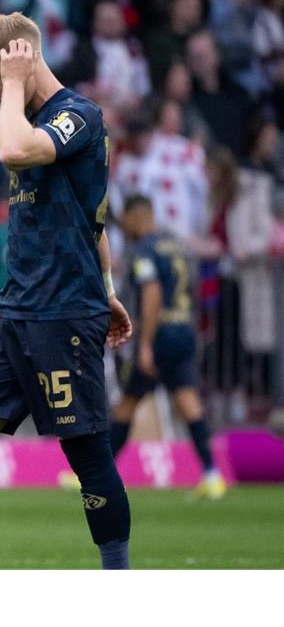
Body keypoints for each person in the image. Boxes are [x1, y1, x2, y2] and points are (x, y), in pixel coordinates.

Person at [0, 13, 134, 570]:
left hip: (62, 315)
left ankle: (120, 578)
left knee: (87, 455)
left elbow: (16, 152)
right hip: (16, 311)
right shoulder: (22, 117)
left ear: (22, 55)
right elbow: (95, 220)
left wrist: (14, 84)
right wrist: (110, 288)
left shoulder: (77, 117)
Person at [102, 195, 226, 499]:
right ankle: (212, 474)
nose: (125, 227)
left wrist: (145, 344)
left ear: (136, 216)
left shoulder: (143, 250)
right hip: (184, 329)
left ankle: (97, 475)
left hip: (159, 335)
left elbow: (152, 291)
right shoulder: (178, 246)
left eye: (127, 220)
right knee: (188, 402)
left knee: (127, 402)